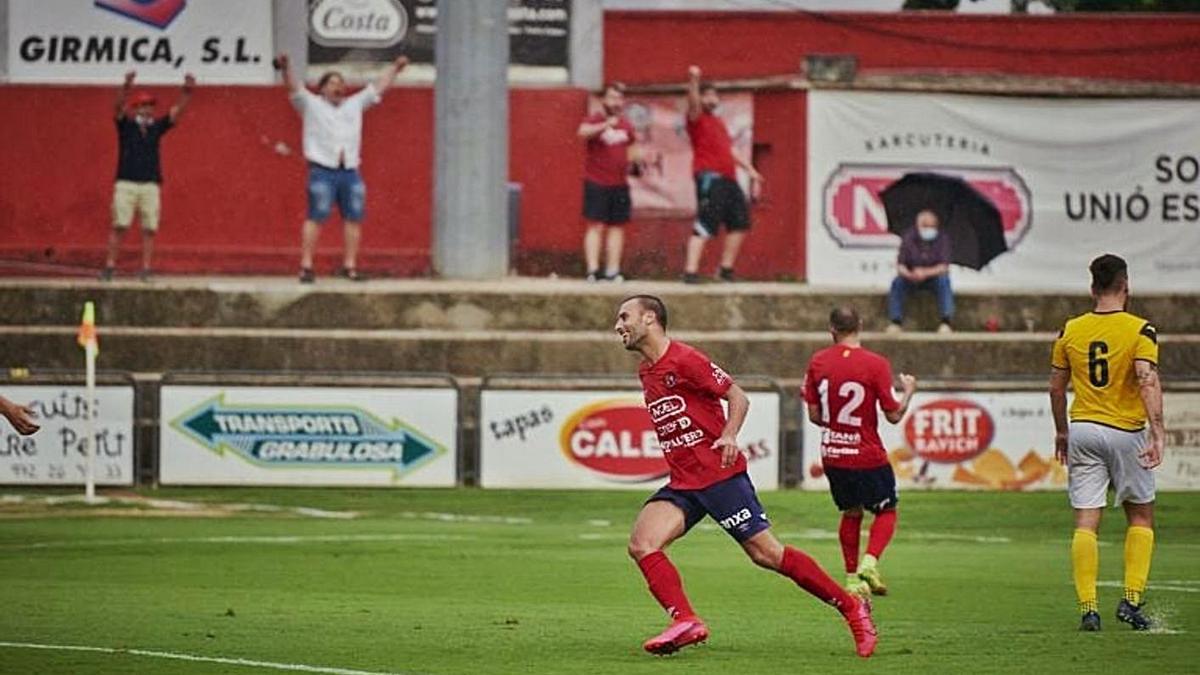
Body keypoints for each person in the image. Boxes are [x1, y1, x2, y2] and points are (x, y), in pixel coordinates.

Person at [615, 294, 877, 659]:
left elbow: (738, 396)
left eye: (624, 317)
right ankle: (687, 620)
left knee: (767, 554)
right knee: (642, 543)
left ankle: (852, 607)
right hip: (685, 482)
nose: (618, 326)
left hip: (719, 476)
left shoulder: (686, 359)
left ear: (649, 318)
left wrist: (729, 434)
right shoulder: (647, 370)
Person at [1050, 253, 1164, 632]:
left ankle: (1089, 610)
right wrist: (1158, 431)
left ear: (1092, 288)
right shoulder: (1140, 330)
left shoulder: (1071, 330)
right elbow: (1145, 379)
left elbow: (1055, 386)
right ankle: (1131, 602)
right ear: (1125, 285)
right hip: (1126, 429)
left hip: (1082, 427)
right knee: (1141, 515)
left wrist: (1061, 430)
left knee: (1086, 522)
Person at [803, 306, 916, 597]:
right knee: (886, 510)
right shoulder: (876, 364)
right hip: (866, 455)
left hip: (833, 454)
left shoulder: (818, 362)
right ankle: (870, 562)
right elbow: (893, 415)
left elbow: (815, 415)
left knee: (851, 512)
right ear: (860, 325)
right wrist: (908, 392)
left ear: (832, 330)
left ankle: (852, 579)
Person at [277, 53, 408, 283]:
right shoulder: (311, 104)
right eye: (333, 83)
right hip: (322, 169)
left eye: (341, 83)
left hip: (349, 169)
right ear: (323, 88)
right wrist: (286, 68)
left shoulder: (354, 105)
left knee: (354, 218)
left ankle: (350, 266)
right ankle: (306, 266)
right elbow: (293, 87)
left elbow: (378, 87)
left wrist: (395, 69)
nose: (339, 86)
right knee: (316, 217)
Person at [101, 70, 194, 281]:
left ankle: (145, 268)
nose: (148, 109)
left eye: (150, 105)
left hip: (150, 183)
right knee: (119, 225)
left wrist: (186, 93)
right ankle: (109, 266)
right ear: (136, 108)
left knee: (149, 228)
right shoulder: (126, 126)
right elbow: (117, 108)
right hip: (126, 182)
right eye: (144, 105)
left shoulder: (156, 128)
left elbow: (175, 113)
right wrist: (126, 86)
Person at [683, 65, 763, 284]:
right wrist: (694, 80)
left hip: (729, 179)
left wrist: (751, 170)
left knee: (740, 223)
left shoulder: (718, 122)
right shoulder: (696, 119)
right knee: (706, 223)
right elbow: (692, 103)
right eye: (706, 95)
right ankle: (690, 272)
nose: (712, 98)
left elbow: (730, 150)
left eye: (714, 95)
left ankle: (725, 270)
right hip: (710, 178)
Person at [578, 83, 639, 282]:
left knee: (617, 227)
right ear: (604, 100)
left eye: (619, 98)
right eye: (612, 98)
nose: (615, 102)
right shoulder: (595, 118)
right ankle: (593, 270)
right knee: (595, 225)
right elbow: (582, 132)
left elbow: (632, 149)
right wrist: (605, 125)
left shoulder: (627, 125)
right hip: (596, 181)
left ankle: (613, 270)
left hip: (619, 184)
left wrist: (636, 163)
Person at [887, 209, 954, 334]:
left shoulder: (942, 238)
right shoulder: (908, 237)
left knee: (944, 281)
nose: (928, 229)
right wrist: (910, 274)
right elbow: (900, 264)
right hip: (911, 277)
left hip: (933, 278)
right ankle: (895, 322)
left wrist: (925, 272)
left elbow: (944, 266)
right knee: (897, 283)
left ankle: (946, 321)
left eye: (931, 226)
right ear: (918, 225)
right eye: (925, 225)